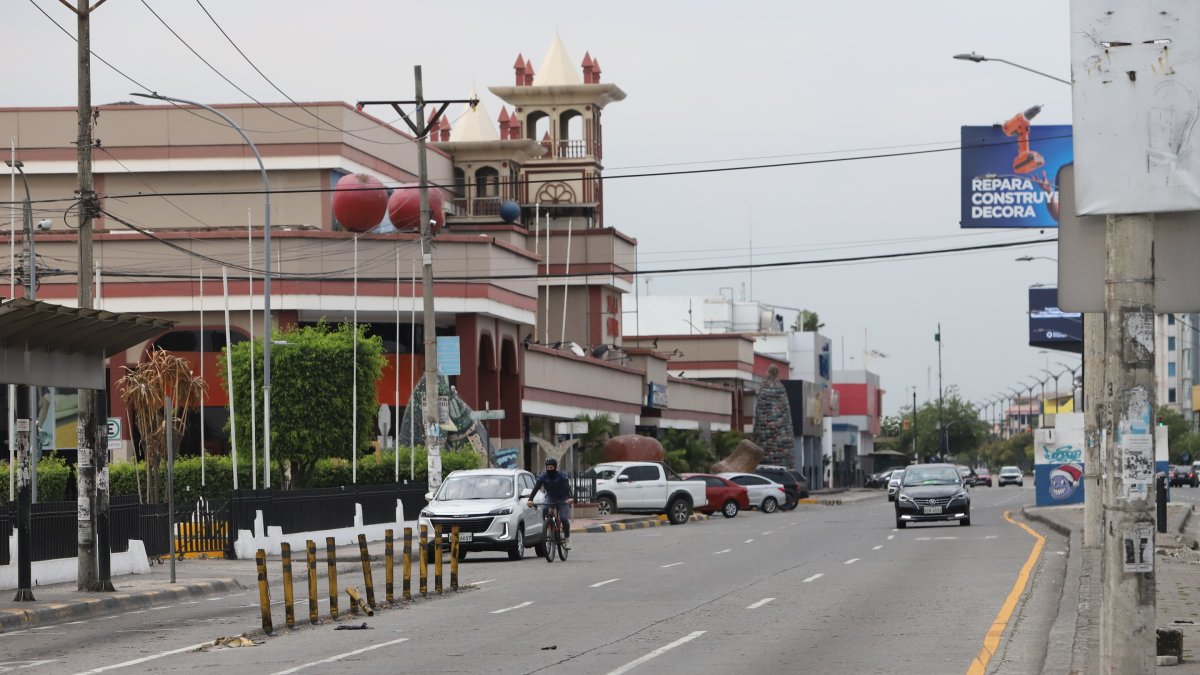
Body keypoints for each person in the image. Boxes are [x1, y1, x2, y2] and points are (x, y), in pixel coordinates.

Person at [527, 457, 574, 549]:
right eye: (547, 467)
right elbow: (536, 488)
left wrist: (570, 497)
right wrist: (530, 499)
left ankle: (567, 538)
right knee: (544, 508)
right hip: (550, 497)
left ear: (555, 467)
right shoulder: (543, 476)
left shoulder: (562, 476)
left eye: (551, 467)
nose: (549, 469)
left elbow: (567, 487)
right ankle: (548, 527)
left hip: (563, 498)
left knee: (564, 518)